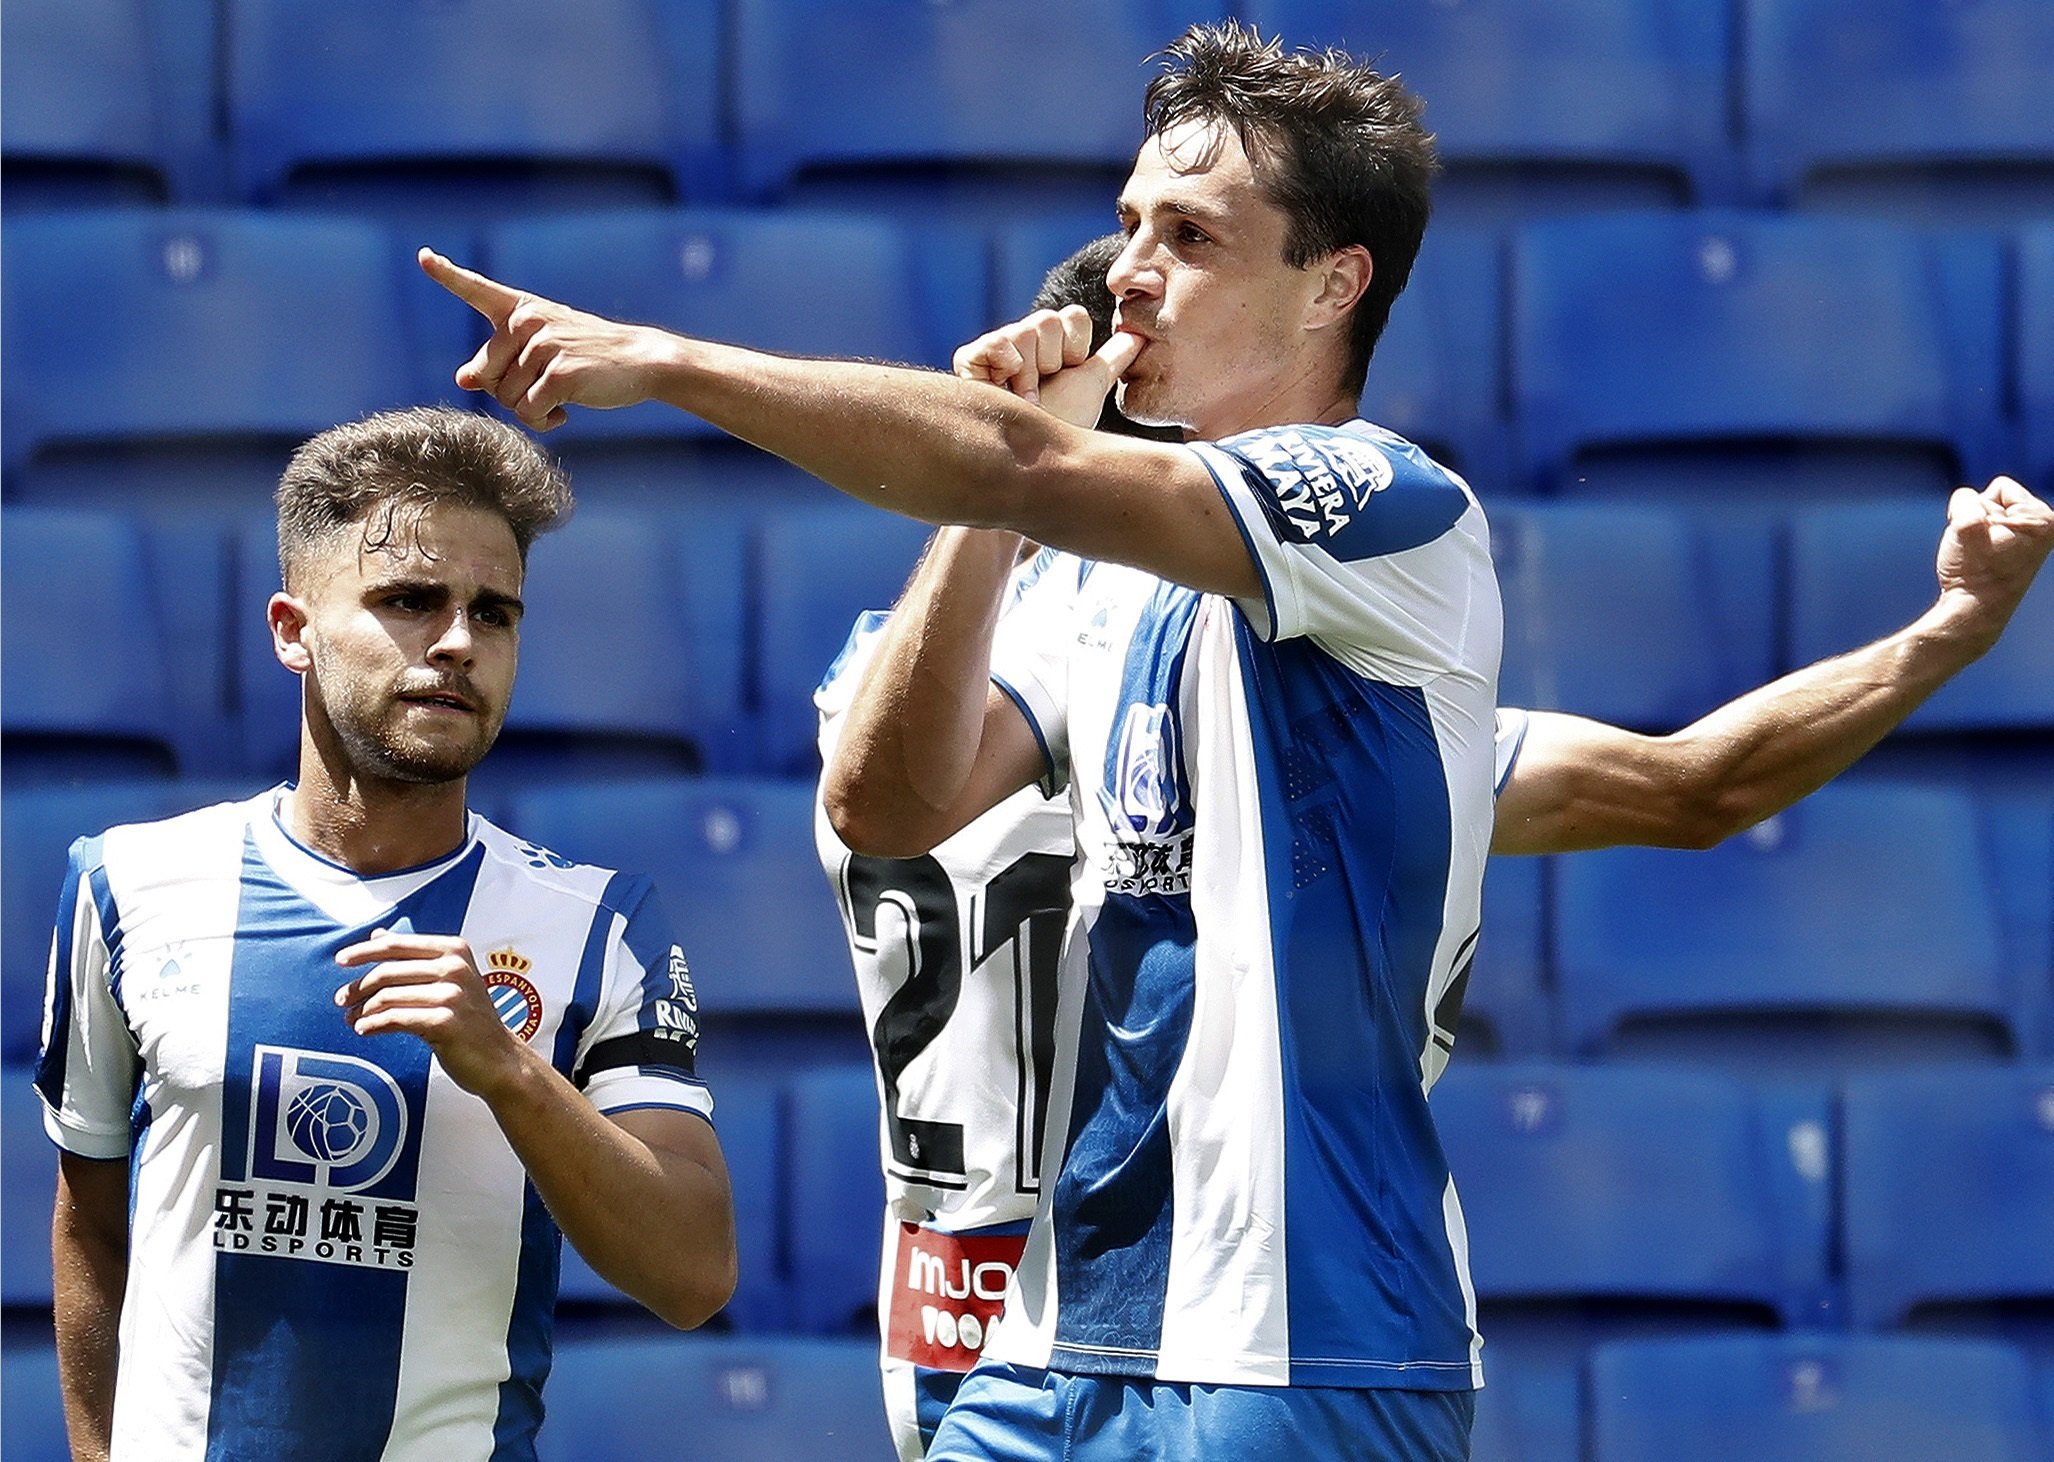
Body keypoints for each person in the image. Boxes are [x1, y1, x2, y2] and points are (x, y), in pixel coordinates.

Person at [417, 21, 2045, 1457]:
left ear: (1332, 282)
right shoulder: (1101, 603)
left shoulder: (1392, 513)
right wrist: (1000, 496)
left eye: (1188, 234)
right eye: (1125, 221)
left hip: (1305, 1343)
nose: (1128, 266)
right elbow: (891, 799)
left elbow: (1690, 788)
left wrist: (672, 358)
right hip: (1059, 1346)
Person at [817, 236, 2054, 1460]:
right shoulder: (1243, 727)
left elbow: (1688, 787)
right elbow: (1689, 787)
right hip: (1147, 1299)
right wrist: (1945, 635)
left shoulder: (871, 686)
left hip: (966, 1297)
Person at [36, 407, 738, 1462]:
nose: (458, 640)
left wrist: (505, 1066)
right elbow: (92, 1223)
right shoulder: (126, 885)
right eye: (410, 600)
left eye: (493, 613)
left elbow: (692, 1275)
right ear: (291, 629)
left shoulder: (599, 926)